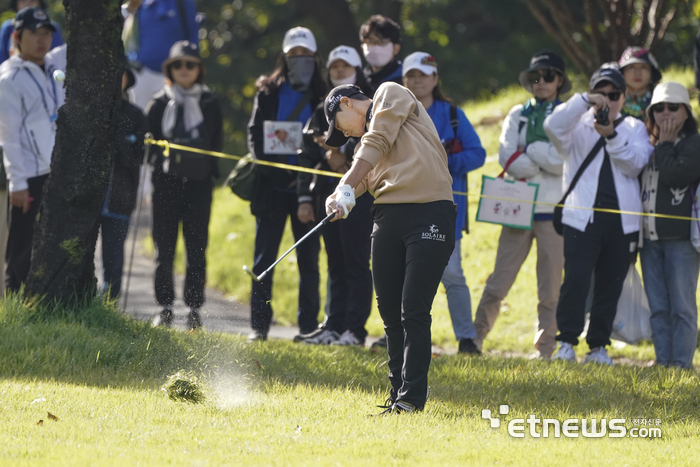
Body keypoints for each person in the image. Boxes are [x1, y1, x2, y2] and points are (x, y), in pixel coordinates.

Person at [325, 82, 456, 413]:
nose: (349, 135)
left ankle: (412, 398)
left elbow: (377, 139)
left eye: (342, 127)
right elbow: (366, 174)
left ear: (346, 104)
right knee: (390, 312)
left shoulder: (390, 93)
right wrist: (345, 200)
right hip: (387, 216)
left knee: (412, 308)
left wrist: (345, 184)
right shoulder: (365, 148)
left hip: (429, 211)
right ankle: (397, 394)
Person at [544, 67, 653, 365]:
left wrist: (612, 135)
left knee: (610, 283)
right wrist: (584, 101)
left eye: (613, 95)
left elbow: (636, 163)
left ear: (624, 97)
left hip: (623, 222)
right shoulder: (577, 125)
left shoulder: (634, 127)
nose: (607, 100)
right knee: (576, 281)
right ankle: (566, 342)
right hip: (582, 219)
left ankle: (598, 347)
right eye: (600, 94)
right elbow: (552, 126)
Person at [473, 51, 569, 360]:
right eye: (535, 77)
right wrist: (539, 158)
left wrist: (530, 150)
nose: (541, 82)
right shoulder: (518, 113)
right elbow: (507, 158)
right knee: (498, 281)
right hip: (518, 206)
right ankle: (473, 340)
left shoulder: (568, 114)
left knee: (550, 288)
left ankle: (546, 349)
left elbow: (562, 162)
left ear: (561, 80)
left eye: (548, 76)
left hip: (554, 210)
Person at [246, 27, 328, 341]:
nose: (299, 60)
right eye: (293, 55)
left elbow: (330, 139)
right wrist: (276, 172)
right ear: (284, 56)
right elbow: (255, 136)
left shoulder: (325, 94)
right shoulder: (267, 91)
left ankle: (308, 326)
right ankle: (259, 326)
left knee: (309, 258)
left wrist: (308, 176)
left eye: (305, 55)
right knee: (264, 259)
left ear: (315, 57)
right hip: (272, 187)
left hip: (310, 190)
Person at [401, 51, 486, 354]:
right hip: (404, 207)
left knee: (451, 274)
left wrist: (444, 161)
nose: (416, 81)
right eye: (411, 75)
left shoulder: (452, 114)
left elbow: (478, 154)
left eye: (423, 75)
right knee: (402, 274)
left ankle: (466, 339)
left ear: (435, 79)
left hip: (446, 209)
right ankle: (397, 335)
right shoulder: (396, 113)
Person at [296, 45, 374, 346]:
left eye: (346, 66)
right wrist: (328, 159)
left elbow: (373, 147)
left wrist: (347, 160)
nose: (339, 71)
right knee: (335, 263)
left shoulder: (372, 106)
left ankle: (354, 330)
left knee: (356, 261)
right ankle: (333, 325)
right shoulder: (322, 108)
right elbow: (307, 150)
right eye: (334, 67)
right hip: (328, 193)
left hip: (361, 196)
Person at [145, 40, 222, 330]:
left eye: (190, 64)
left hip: (199, 185)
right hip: (165, 184)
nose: (184, 70)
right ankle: (164, 306)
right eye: (178, 64)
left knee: (196, 247)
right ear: (170, 69)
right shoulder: (159, 102)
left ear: (199, 68)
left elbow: (216, 143)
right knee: (163, 247)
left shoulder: (210, 102)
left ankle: (193, 308)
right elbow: (149, 148)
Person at [0, 7, 61, 292]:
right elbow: (8, 136)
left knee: (51, 241)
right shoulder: (8, 80)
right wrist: (18, 182)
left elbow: (82, 47)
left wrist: (126, 10)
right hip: (29, 174)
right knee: (21, 245)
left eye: (47, 33)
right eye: (35, 33)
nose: (42, 39)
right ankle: (12, 307)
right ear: (17, 36)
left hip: (55, 168)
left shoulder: (50, 64)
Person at [639, 82, 700, 369]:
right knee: (658, 307)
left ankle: (681, 363)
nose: (665, 113)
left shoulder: (695, 144)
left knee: (682, 307)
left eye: (673, 107)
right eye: (659, 108)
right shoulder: (644, 143)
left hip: (681, 240)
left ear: (686, 112)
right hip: (648, 238)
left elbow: (677, 175)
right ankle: (663, 361)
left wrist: (664, 144)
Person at [99, 68, 147, 299]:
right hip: (86, 199)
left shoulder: (136, 115)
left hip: (120, 197)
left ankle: (110, 305)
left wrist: (119, 142)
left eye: (122, 73)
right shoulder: (89, 110)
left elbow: (139, 157)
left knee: (114, 256)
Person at [121, 0, 199, 111]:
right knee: (135, 123)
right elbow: (111, 22)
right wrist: (128, 8)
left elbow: (193, 37)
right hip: (140, 74)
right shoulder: (139, 2)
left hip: (173, 76)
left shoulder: (184, 2)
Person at [0, 0, 63, 65]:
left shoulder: (52, 26)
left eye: (46, 33)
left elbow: (58, 57)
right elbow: (1, 58)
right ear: (17, 36)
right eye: (34, 32)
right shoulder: (8, 27)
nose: (27, 3)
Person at [359, 15, 402, 96]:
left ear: (396, 48)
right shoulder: (358, 81)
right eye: (371, 42)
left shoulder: (406, 78)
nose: (376, 47)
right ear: (362, 47)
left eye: (382, 42)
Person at [618, 46, 661, 121]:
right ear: (622, 72)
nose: (637, 73)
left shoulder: (661, 104)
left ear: (652, 73)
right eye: (631, 67)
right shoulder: (613, 101)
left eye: (643, 67)